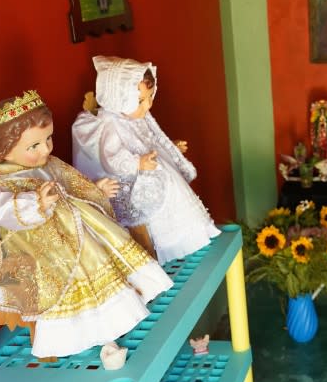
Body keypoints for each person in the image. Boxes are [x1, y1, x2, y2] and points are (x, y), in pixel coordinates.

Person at [0, 91, 172, 358]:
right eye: (35, 146)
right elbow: (3, 211)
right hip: (33, 242)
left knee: (102, 252)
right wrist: (35, 204)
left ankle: (115, 318)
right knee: (71, 274)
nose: (47, 149)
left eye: (48, 139)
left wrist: (93, 189)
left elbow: (69, 183)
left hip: (72, 225)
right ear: (3, 151)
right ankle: (82, 331)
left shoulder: (44, 164)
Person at [72, 56, 220, 264]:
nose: (148, 105)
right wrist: (136, 163)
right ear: (118, 99)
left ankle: (183, 239)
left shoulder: (135, 117)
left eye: (150, 97)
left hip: (151, 170)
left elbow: (152, 139)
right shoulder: (111, 125)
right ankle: (158, 252)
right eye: (140, 101)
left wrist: (170, 147)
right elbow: (112, 159)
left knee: (170, 199)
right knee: (149, 216)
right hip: (130, 181)